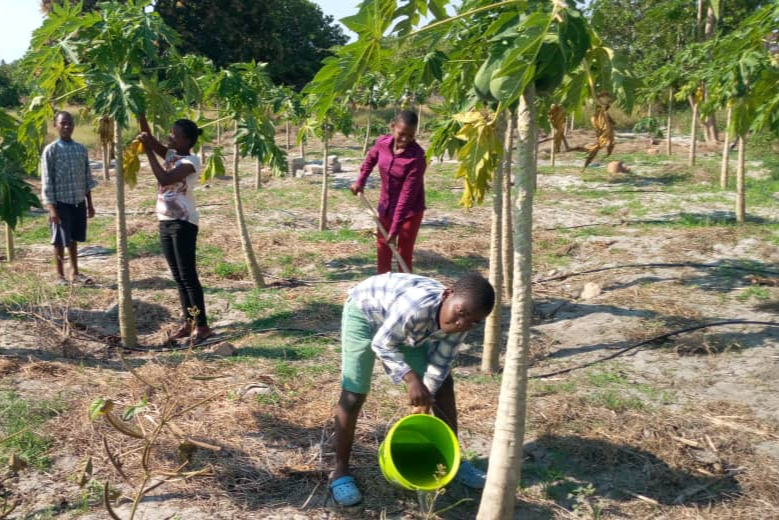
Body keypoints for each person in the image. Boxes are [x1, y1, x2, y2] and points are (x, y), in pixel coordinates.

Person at [330, 272, 496, 506]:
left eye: (473, 321)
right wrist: (410, 379)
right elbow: (382, 343)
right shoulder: (416, 307)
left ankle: (454, 462)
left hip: (404, 327)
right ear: (447, 295)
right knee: (354, 393)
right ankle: (340, 472)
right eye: (461, 314)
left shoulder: (461, 323)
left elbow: (441, 363)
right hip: (367, 312)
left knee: (444, 385)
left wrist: (426, 395)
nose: (462, 324)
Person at [137, 114, 213, 344]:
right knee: (178, 277)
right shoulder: (172, 154)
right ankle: (188, 322)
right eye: (171, 132)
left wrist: (148, 151)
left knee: (188, 276)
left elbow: (164, 178)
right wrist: (140, 113)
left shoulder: (191, 162)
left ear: (187, 141)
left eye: (175, 135)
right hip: (165, 221)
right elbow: (149, 138)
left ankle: (203, 326)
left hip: (184, 223)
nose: (170, 136)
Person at [350, 110, 426, 274]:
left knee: (403, 254)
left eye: (411, 135)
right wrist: (360, 181)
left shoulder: (417, 157)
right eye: (402, 134)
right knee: (383, 249)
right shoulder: (382, 143)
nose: (405, 139)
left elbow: (407, 196)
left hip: (409, 212)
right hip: (386, 206)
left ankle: (405, 291)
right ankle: (383, 289)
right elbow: (370, 160)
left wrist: (395, 227)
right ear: (393, 127)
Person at [41, 111, 97, 286]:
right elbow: (47, 180)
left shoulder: (80, 149)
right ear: (55, 126)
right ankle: (59, 275)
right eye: (63, 123)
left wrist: (90, 204)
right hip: (60, 203)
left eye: (70, 123)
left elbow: (86, 178)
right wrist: (51, 207)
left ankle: (74, 272)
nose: (67, 127)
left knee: (73, 238)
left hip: (77, 201)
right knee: (59, 240)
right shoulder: (51, 150)